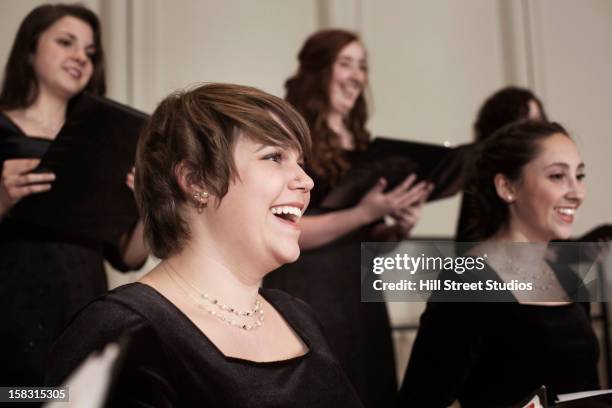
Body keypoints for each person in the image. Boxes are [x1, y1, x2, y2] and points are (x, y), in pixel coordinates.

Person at [46, 83, 365, 407]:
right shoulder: (123, 331)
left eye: (299, 162)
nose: (306, 181)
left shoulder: (299, 317)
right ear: (196, 181)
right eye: (274, 156)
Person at [264, 29, 431, 407]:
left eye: (363, 66)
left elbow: (366, 244)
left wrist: (398, 228)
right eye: (346, 64)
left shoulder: (364, 145)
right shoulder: (289, 137)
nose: (357, 75)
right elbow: (286, 228)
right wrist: (363, 213)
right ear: (319, 71)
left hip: (361, 295)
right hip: (307, 289)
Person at [399, 120, 599, 407]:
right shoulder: (466, 281)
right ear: (507, 186)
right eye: (557, 176)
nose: (577, 192)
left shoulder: (570, 277)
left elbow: (588, 389)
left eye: (579, 176)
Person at [0, 4, 148, 386]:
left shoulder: (107, 143)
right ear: (30, 50)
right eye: (66, 43)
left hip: (86, 313)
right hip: (11, 318)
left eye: (90, 51)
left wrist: (148, 207)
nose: (80, 57)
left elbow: (128, 256)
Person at [456, 86, 547, 241]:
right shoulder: (479, 176)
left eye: (538, 122)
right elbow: (468, 244)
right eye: (525, 123)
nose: (533, 131)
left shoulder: (543, 171)